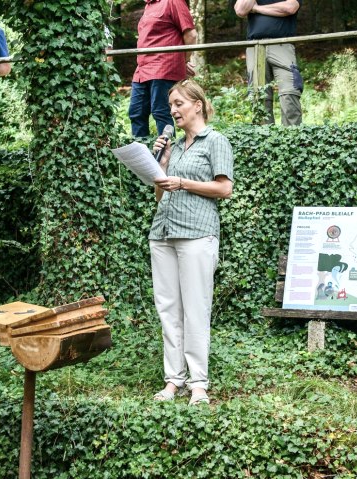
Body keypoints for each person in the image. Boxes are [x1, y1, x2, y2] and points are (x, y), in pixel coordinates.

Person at [149, 79, 234, 405]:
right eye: (172, 105)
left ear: (197, 105)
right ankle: (173, 381)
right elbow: (159, 195)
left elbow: (224, 189)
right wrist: (164, 165)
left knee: (195, 310)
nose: (173, 111)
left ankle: (198, 384)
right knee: (169, 311)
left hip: (197, 233)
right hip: (163, 233)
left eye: (179, 104)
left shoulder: (215, 141)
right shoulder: (173, 145)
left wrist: (183, 182)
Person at [128, 0, 197, 139]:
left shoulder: (173, 1)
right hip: (142, 68)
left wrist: (184, 60)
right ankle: (142, 157)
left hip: (163, 66)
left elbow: (191, 35)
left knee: (160, 111)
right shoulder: (149, 5)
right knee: (136, 112)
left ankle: (166, 155)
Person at [234, 0, 303, 126]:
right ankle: (263, 140)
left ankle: (294, 139)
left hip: (283, 44)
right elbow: (240, 10)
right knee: (258, 96)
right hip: (255, 46)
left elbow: (290, 8)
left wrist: (256, 9)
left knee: (290, 93)